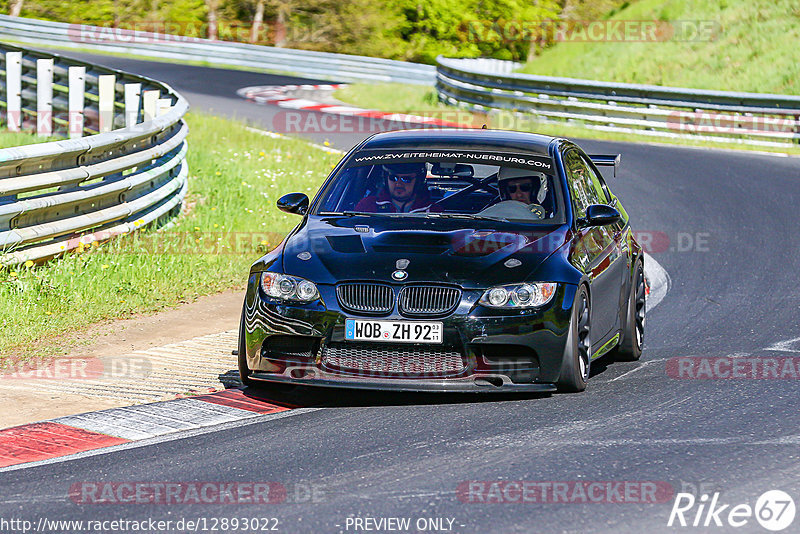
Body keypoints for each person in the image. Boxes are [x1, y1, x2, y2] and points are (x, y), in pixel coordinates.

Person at [354, 162, 439, 213]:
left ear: (419, 181)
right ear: (385, 179)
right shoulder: (367, 206)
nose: (398, 184)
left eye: (406, 179)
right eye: (393, 178)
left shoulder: (434, 212)